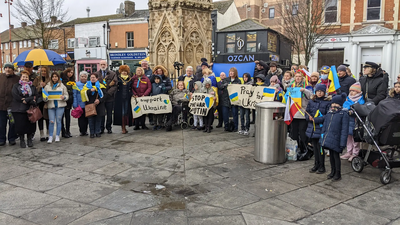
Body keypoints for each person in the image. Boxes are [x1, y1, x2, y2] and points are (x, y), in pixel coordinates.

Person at [320, 93, 349, 181]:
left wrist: (342, 143)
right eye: (333, 103)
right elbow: (325, 126)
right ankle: (332, 171)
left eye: (336, 104)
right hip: (329, 138)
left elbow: (344, 130)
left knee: (336, 157)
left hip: (337, 139)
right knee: (331, 156)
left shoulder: (343, 114)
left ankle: (338, 173)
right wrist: (322, 137)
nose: (334, 105)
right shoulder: (329, 113)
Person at [305, 84, 331, 174]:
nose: (319, 93)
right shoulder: (312, 101)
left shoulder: (327, 102)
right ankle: (316, 164)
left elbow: (327, 116)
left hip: (320, 128)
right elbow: (307, 112)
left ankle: (322, 165)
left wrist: (316, 120)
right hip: (312, 128)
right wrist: (309, 118)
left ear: (324, 92)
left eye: (321, 91)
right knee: (315, 147)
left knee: (320, 148)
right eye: (318, 91)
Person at [11, 71, 38, 148]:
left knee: (30, 125)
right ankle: (22, 140)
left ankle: (29, 139)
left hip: (30, 108)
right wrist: (22, 100)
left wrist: (27, 99)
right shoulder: (16, 86)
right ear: (20, 77)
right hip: (19, 109)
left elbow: (35, 95)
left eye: (26, 77)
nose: (25, 78)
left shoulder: (32, 87)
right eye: (23, 77)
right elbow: (15, 94)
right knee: (20, 126)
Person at [289, 71, 313, 154]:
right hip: (294, 113)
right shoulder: (292, 86)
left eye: (299, 76)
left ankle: (304, 148)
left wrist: (305, 90)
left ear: (302, 77)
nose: (298, 78)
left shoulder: (307, 85)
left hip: (303, 113)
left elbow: (311, 96)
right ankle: (296, 148)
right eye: (296, 76)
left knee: (302, 132)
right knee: (294, 132)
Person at [341, 82, 365, 162]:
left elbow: (359, 109)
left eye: (354, 91)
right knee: (348, 138)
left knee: (355, 139)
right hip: (347, 121)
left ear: (358, 92)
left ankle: (355, 153)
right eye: (350, 90)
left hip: (355, 122)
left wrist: (351, 111)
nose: (351, 92)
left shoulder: (360, 100)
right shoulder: (348, 99)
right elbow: (344, 106)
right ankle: (349, 151)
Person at [44, 72, 69, 143]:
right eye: (53, 76)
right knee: (51, 121)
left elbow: (66, 96)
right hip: (51, 106)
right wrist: (45, 98)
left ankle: (57, 135)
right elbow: (44, 96)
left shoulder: (62, 86)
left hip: (60, 105)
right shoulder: (47, 86)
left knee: (58, 120)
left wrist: (64, 97)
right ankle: (51, 136)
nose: (54, 78)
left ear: (58, 77)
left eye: (56, 76)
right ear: (51, 78)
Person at [95, 60, 118, 134]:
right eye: (101, 64)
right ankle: (101, 128)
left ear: (107, 65)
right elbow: (94, 84)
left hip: (109, 97)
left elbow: (115, 85)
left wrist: (107, 93)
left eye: (104, 64)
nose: (103, 66)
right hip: (100, 97)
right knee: (101, 113)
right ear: (99, 65)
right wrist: (101, 94)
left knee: (109, 113)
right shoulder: (96, 74)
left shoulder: (112, 74)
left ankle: (109, 127)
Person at [0, 63, 20, 146]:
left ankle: (12, 138)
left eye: (9, 68)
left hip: (12, 105)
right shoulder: (1, 77)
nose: (7, 69)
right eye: (6, 68)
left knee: (12, 123)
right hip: (1, 105)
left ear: (13, 70)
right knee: (1, 124)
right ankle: (1, 139)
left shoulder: (17, 79)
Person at [82, 73, 106, 138]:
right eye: (91, 77)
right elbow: (83, 93)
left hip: (99, 105)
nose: (92, 78)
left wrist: (99, 100)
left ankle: (97, 132)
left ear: (97, 78)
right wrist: (89, 91)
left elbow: (105, 95)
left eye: (94, 77)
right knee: (90, 120)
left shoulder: (101, 86)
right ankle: (92, 133)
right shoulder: (86, 86)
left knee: (98, 119)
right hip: (90, 105)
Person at [219, 67, 242, 132]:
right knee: (225, 114)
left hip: (234, 99)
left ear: (235, 73)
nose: (231, 73)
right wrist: (224, 85)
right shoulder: (226, 79)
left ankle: (235, 127)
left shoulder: (238, 80)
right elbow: (220, 87)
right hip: (225, 99)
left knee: (235, 113)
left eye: (232, 72)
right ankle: (226, 126)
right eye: (230, 72)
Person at [114, 65, 134, 134]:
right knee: (121, 113)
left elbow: (131, 89)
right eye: (123, 71)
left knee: (126, 112)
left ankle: (125, 126)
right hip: (119, 98)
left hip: (127, 98)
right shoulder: (117, 78)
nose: (124, 72)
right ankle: (123, 128)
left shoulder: (130, 79)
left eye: (125, 71)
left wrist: (132, 94)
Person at [33, 66, 50, 141]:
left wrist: (45, 85)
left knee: (47, 117)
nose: (43, 72)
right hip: (39, 101)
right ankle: (41, 133)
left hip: (47, 100)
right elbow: (33, 89)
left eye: (44, 71)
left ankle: (48, 133)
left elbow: (51, 88)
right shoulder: (37, 79)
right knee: (40, 117)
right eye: (42, 71)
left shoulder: (49, 79)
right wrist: (39, 86)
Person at [73, 71, 89, 136]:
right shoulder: (76, 84)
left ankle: (85, 130)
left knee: (87, 118)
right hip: (80, 104)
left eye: (85, 76)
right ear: (80, 77)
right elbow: (75, 95)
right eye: (82, 76)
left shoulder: (89, 84)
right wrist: (75, 104)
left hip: (87, 103)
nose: (83, 78)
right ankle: (82, 131)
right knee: (81, 118)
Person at [61, 69, 75, 138]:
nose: (70, 74)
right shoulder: (62, 80)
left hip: (69, 101)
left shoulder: (72, 81)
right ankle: (63, 131)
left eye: (72, 72)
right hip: (62, 100)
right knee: (61, 116)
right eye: (69, 72)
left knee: (67, 116)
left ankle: (68, 131)